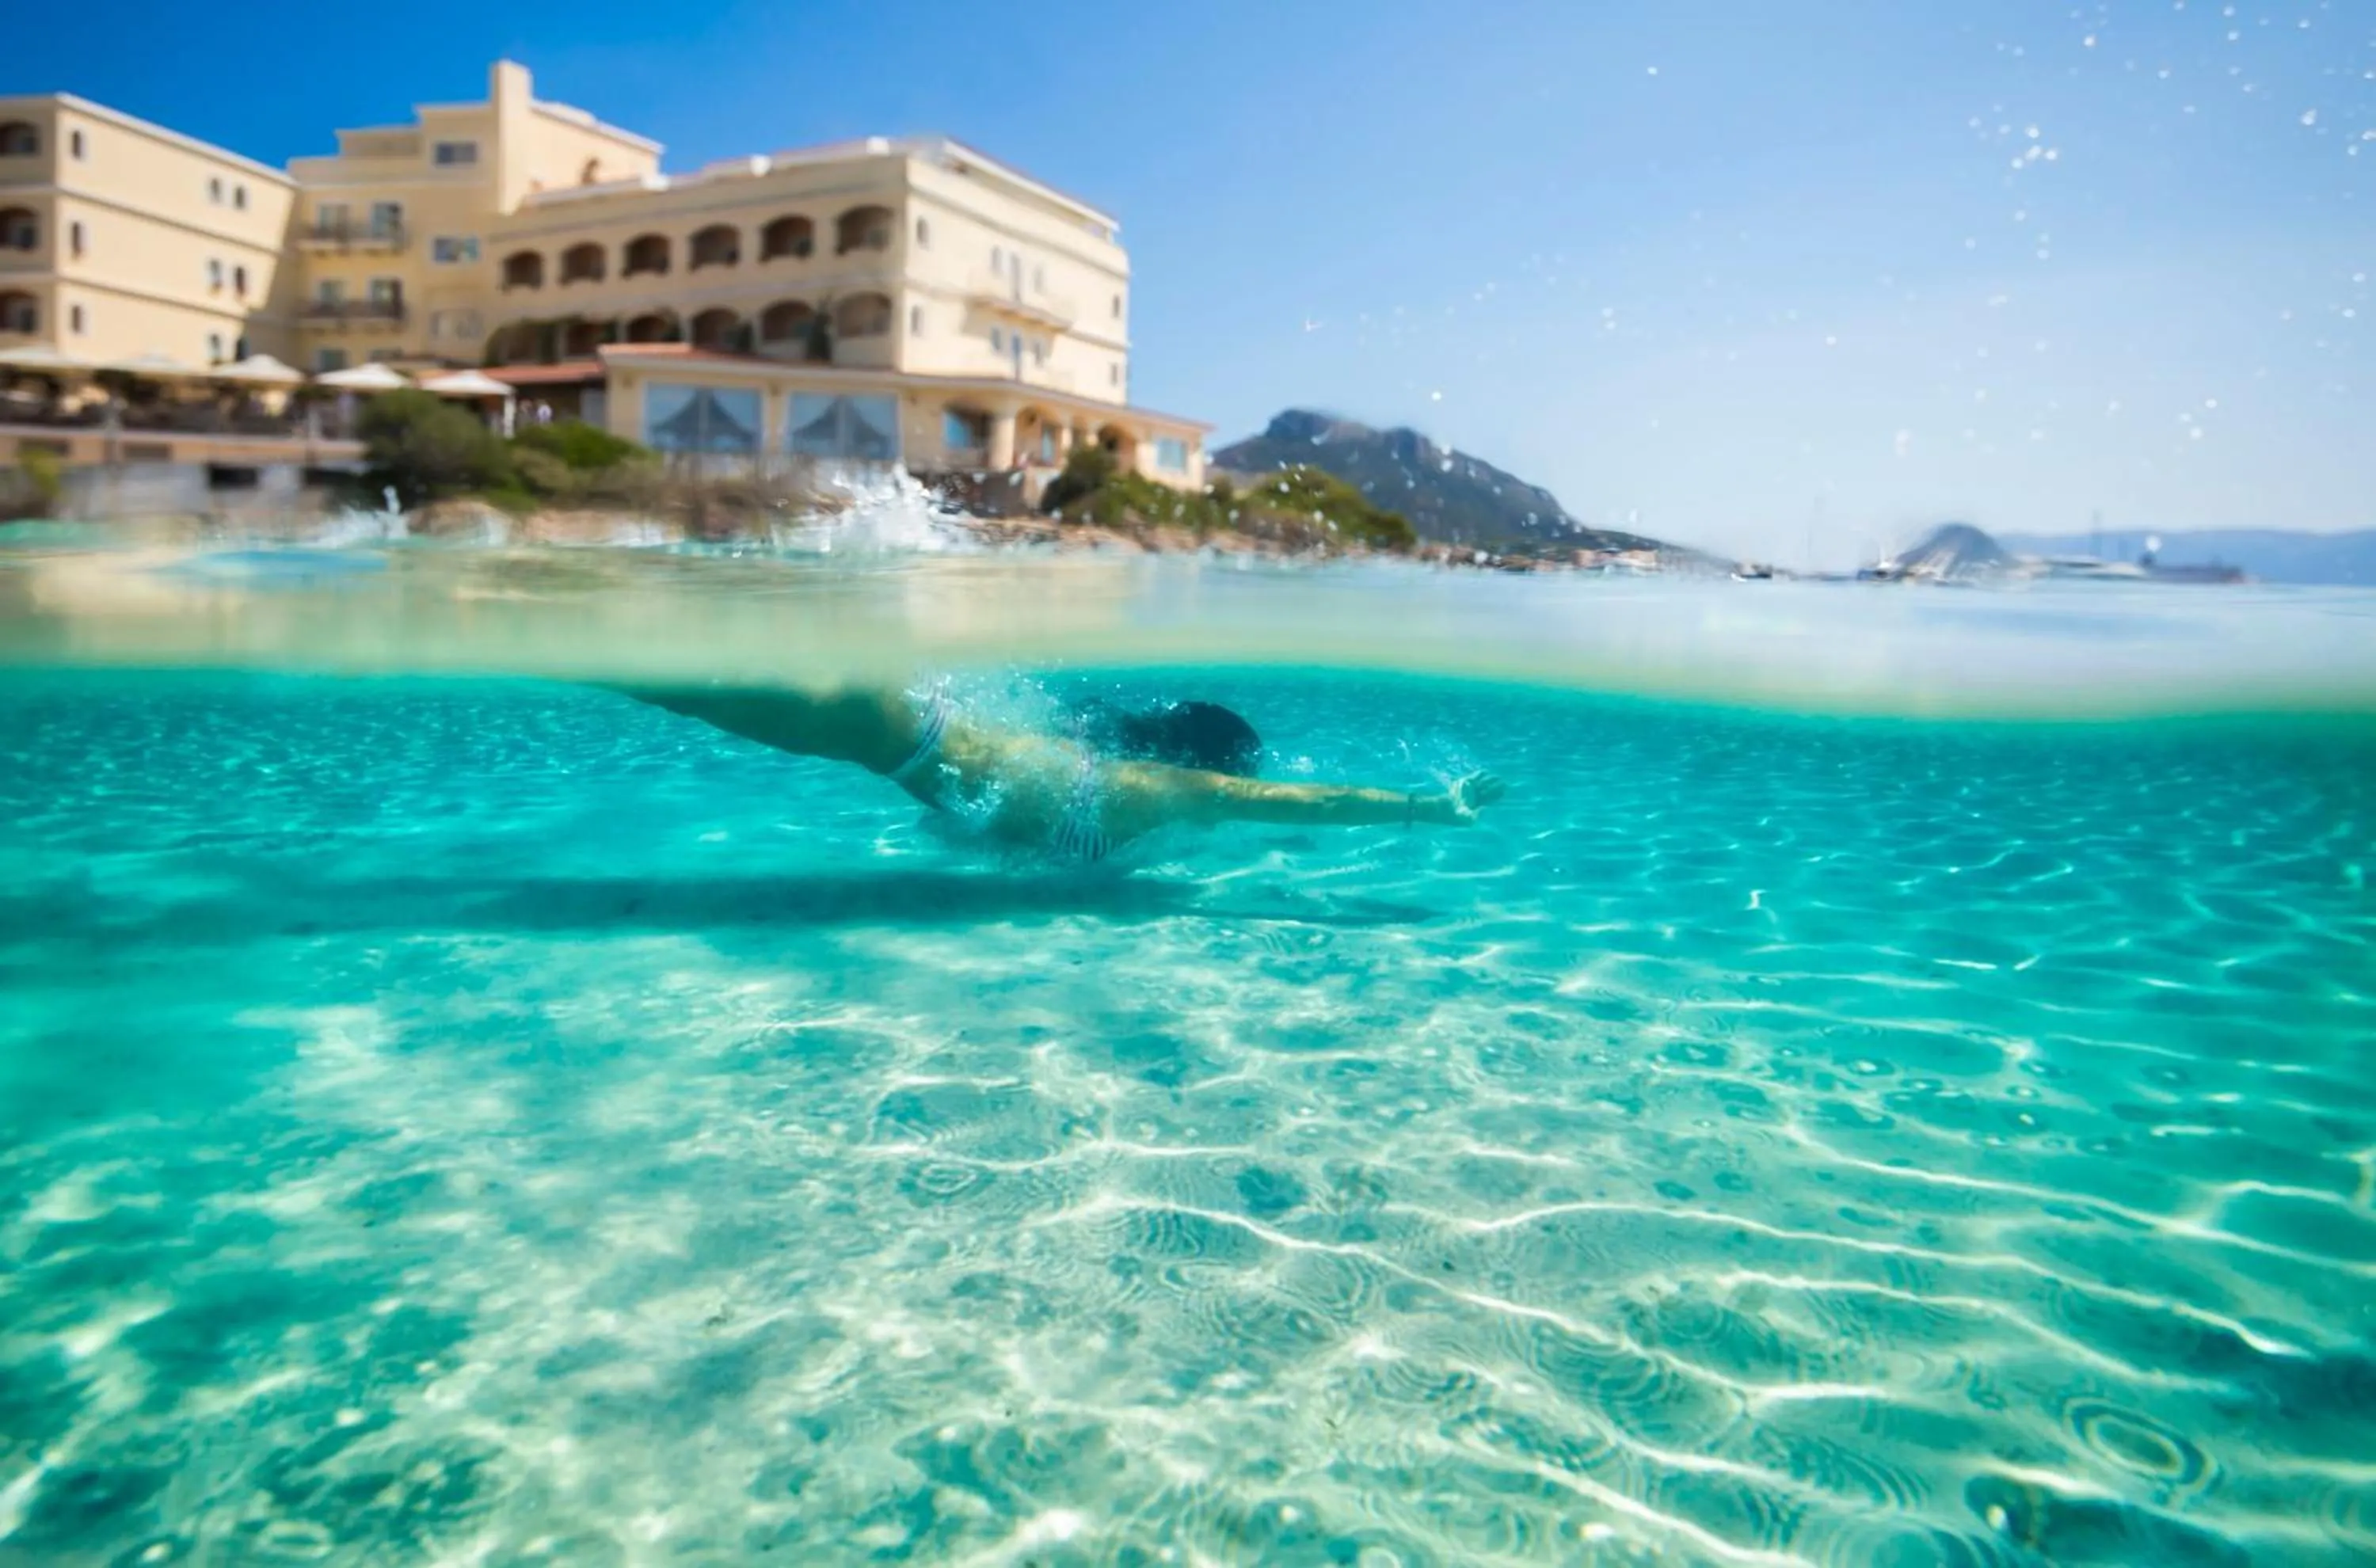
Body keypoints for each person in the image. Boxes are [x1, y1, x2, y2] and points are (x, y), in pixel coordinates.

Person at [615, 681, 1503, 862]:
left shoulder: (1118, 786)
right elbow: (1314, 802)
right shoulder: (1157, 796)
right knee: (674, 681)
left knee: (676, 685)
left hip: (899, 733)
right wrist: (1430, 809)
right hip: (898, 730)